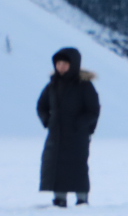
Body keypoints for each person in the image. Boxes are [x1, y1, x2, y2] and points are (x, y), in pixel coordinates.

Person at [38, 46, 99, 207]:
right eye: (58, 63)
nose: (61, 66)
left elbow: (93, 110)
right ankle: (59, 198)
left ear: (74, 64)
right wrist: (48, 121)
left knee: (78, 167)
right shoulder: (52, 85)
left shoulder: (84, 85)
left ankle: (82, 199)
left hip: (77, 136)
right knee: (56, 166)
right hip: (56, 134)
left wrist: (80, 125)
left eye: (65, 63)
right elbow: (41, 106)